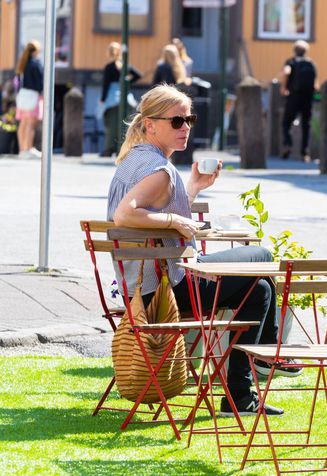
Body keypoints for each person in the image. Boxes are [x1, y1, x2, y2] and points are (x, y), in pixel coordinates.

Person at [106, 85, 299, 417]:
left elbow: (152, 223)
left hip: (142, 290)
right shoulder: (159, 171)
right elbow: (125, 214)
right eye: (177, 121)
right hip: (172, 291)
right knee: (263, 257)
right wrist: (174, 219)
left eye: (189, 119)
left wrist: (192, 188)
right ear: (150, 124)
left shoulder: (133, 160)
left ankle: (239, 397)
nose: (186, 128)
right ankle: (267, 357)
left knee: (260, 290)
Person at [99, 42, 142, 157]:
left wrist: (102, 99)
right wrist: (127, 81)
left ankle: (110, 148)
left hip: (112, 97)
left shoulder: (109, 67)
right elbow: (138, 75)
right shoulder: (125, 65)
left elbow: (106, 84)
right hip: (125, 96)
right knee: (125, 124)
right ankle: (123, 148)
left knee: (111, 124)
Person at [279, 40, 317, 163]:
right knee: (306, 125)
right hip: (307, 97)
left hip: (293, 97)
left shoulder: (291, 62)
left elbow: (286, 72)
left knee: (286, 122)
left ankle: (287, 144)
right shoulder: (310, 63)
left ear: (294, 50)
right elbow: (316, 83)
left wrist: (283, 87)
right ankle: (304, 153)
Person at [15, 40, 43, 159]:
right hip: (33, 96)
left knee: (23, 123)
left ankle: (22, 149)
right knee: (31, 124)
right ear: (36, 51)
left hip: (22, 96)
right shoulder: (35, 64)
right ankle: (29, 149)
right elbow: (40, 82)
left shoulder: (23, 63)